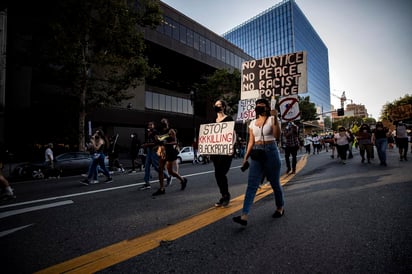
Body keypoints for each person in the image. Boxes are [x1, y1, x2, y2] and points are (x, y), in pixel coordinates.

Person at [233, 98, 284, 226]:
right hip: (257, 153)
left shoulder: (273, 119)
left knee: (274, 183)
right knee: (252, 185)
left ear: (267, 107)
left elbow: (277, 136)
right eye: (257, 106)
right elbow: (251, 142)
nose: (259, 107)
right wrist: (245, 158)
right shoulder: (252, 123)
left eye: (261, 105)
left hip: (271, 151)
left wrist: (276, 117)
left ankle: (280, 207)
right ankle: (244, 215)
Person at [152, 118, 187, 196]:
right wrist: (157, 144)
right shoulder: (160, 132)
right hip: (163, 152)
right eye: (161, 121)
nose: (162, 122)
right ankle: (162, 189)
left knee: (170, 171)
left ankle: (183, 180)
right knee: (160, 169)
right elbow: (160, 141)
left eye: (164, 121)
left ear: (167, 122)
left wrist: (167, 143)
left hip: (170, 153)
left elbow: (175, 142)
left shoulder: (171, 131)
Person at [210, 99, 234, 207]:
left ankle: (226, 195)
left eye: (219, 105)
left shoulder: (228, 119)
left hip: (226, 150)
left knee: (221, 173)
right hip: (216, 152)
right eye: (216, 105)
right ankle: (224, 195)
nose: (217, 106)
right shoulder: (213, 120)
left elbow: (233, 134)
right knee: (217, 174)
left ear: (223, 107)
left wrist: (231, 146)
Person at [139, 121, 171, 190]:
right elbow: (148, 141)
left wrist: (146, 145)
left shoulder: (155, 132)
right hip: (148, 151)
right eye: (149, 125)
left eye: (151, 125)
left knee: (157, 167)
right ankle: (147, 183)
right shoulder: (147, 133)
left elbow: (157, 142)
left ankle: (168, 176)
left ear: (154, 126)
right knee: (147, 167)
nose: (149, 126)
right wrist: (144, 145)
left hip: (154, 151)